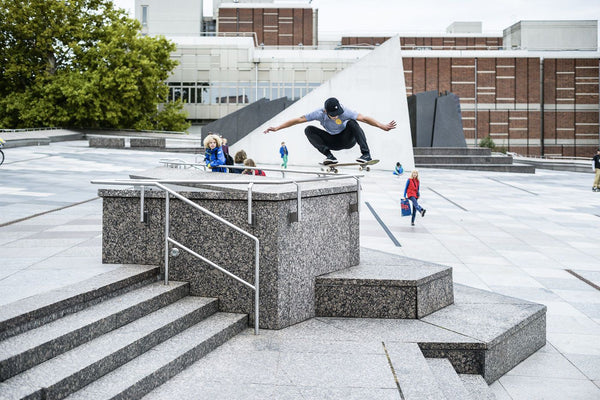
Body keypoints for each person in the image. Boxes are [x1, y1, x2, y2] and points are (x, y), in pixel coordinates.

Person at [264, 97, 396, 165]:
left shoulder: (345, 111)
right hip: (333, 141)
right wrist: (277, 128)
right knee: (308, 129)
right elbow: (298, 120)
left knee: (353, 122)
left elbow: (365, 118)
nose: (337, 116)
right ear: (325, 111)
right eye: (333, 114)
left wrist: (381, 126)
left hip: (347, 139)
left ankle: (366, 154)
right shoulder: (318, 113)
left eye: (338, 113)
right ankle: (330, 157)